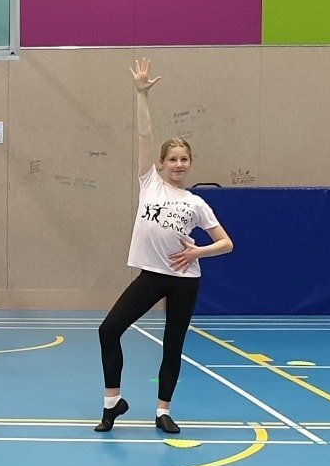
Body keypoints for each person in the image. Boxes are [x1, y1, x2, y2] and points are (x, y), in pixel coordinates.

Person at [96, 58, 233, 435]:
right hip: (152, 276)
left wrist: (196, 252)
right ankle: (113, 403)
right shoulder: (149, 184)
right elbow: (144, 135)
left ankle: (162, 411)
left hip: (184, 279)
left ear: (190, 164)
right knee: (109, 330)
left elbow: (226, 243)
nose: (178, 164)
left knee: (172, 344)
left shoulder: (197, 203)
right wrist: (141, 94)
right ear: (160, 163)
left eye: (184, 159)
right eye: (172, 159)